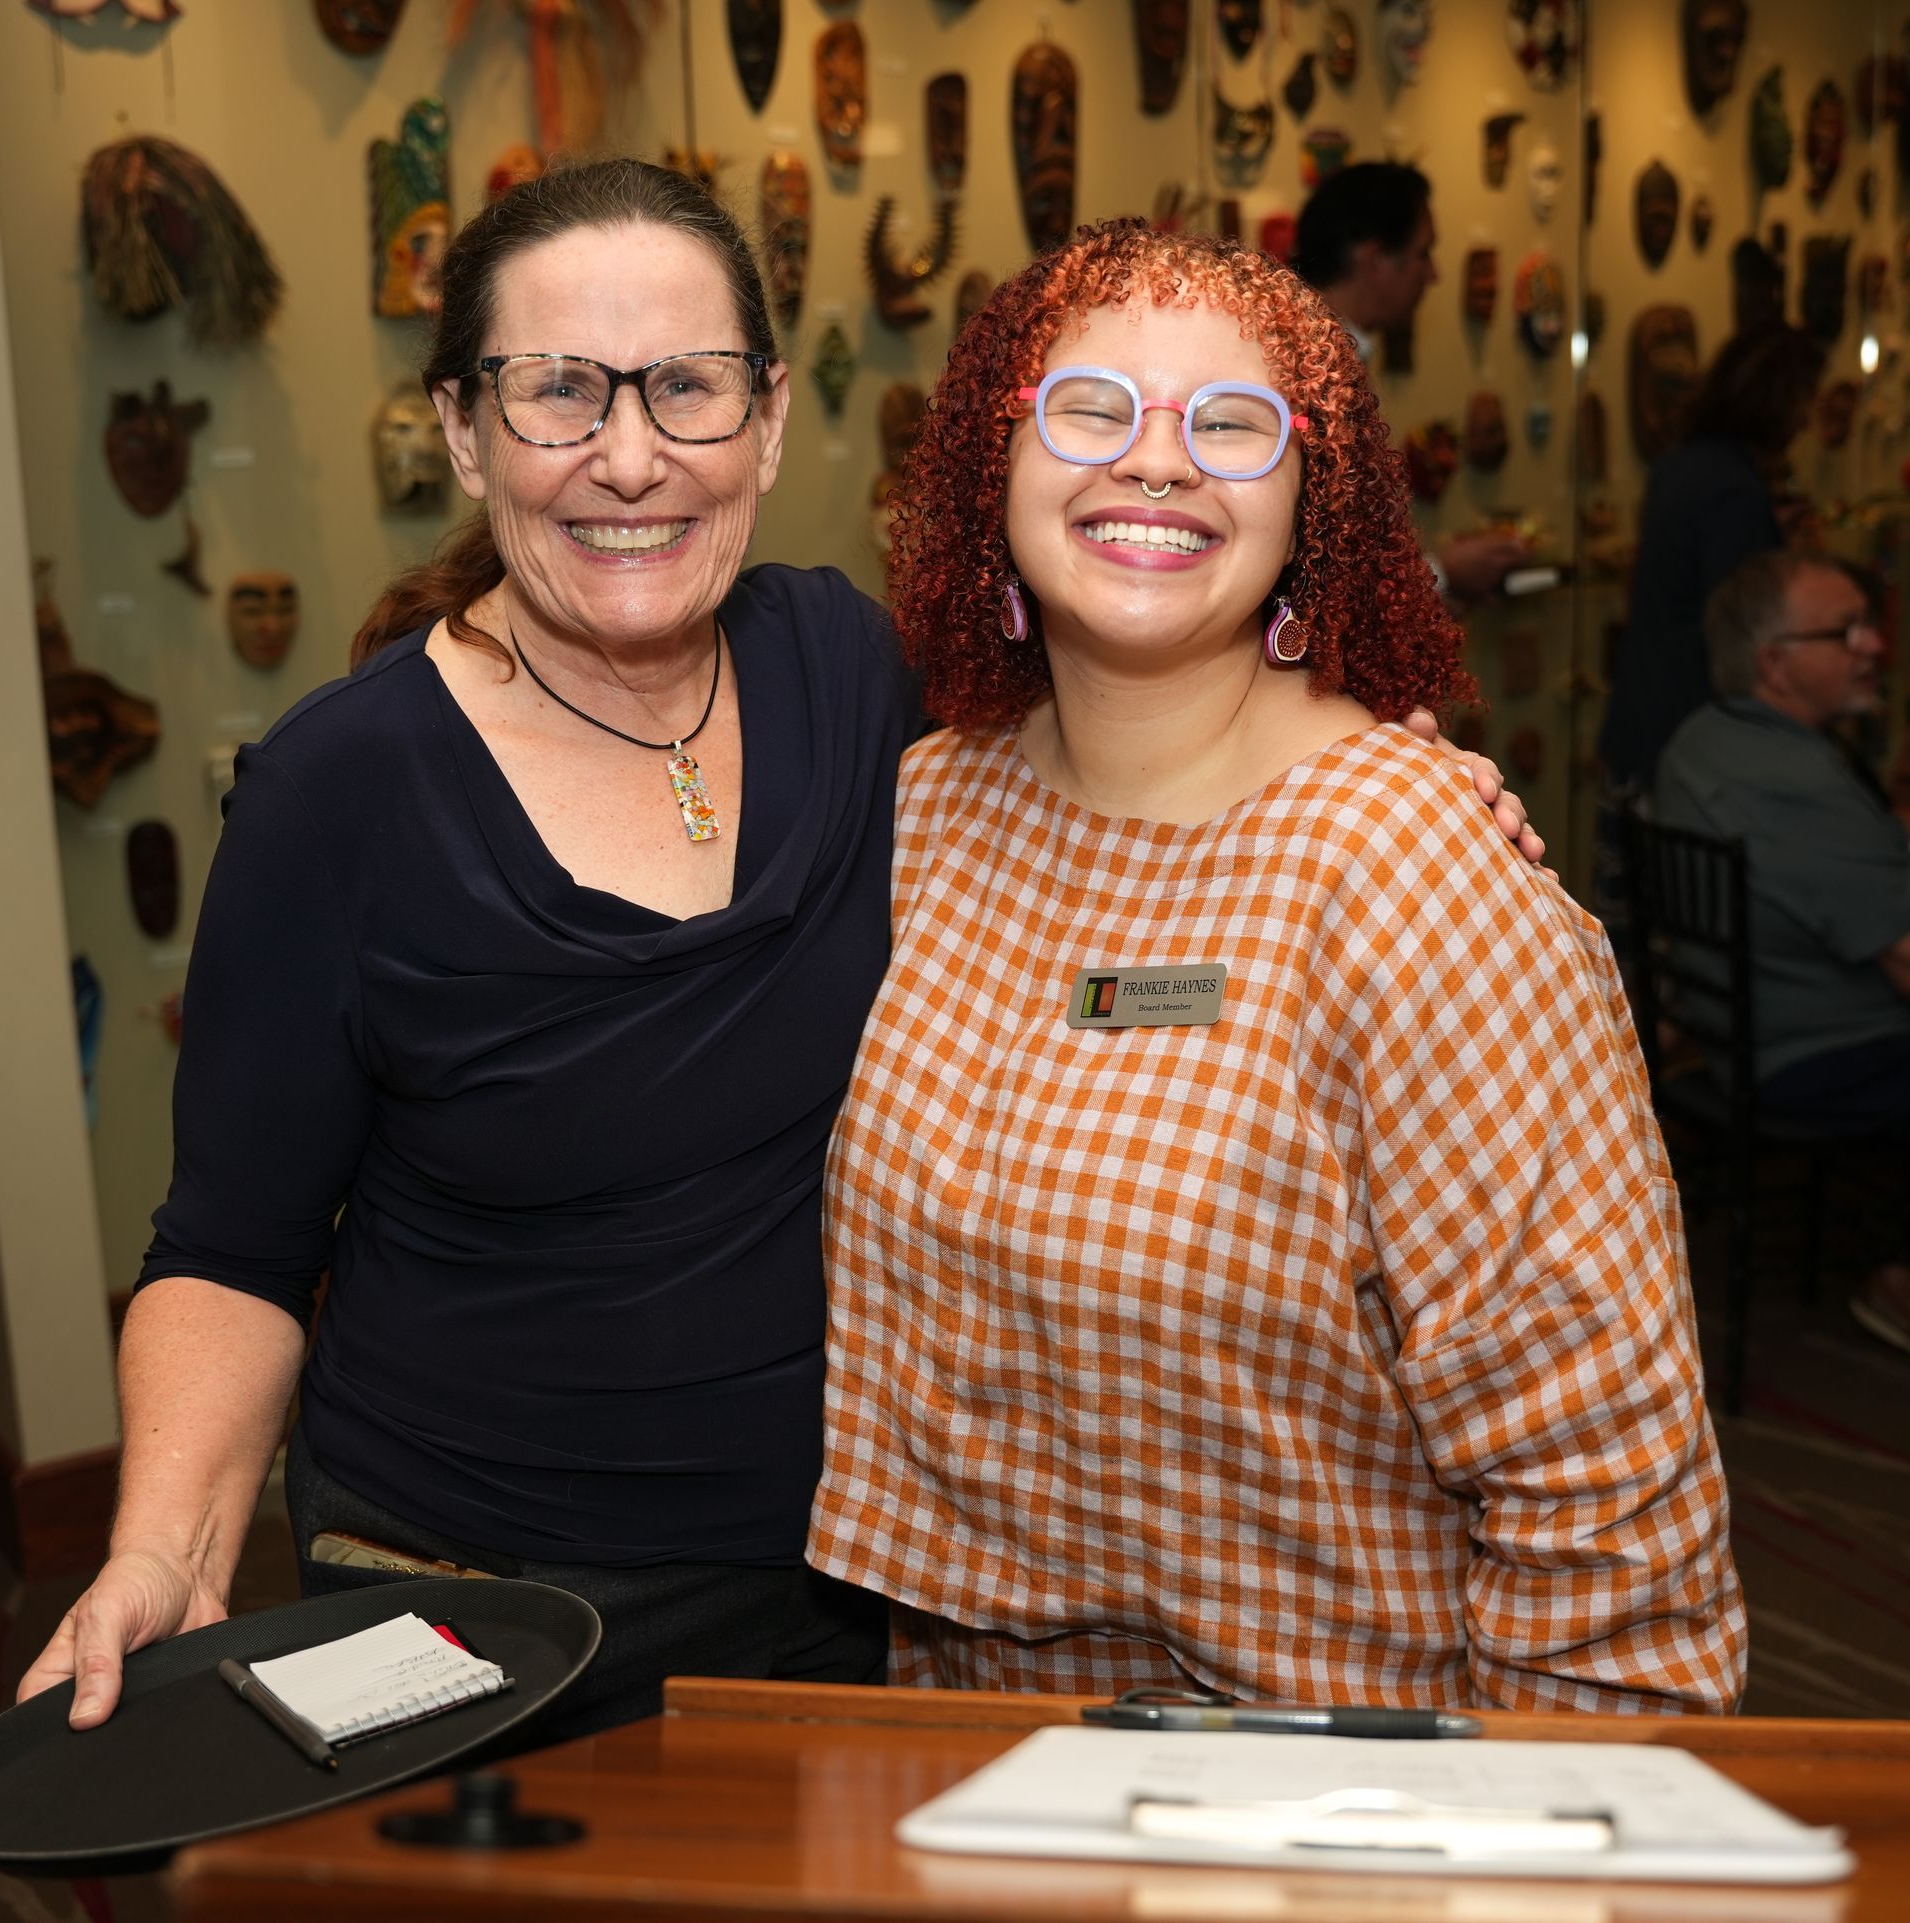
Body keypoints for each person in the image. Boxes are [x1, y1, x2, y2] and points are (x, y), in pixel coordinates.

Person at [20, 163, 1537, 1738]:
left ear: (767, 419)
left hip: (853, 1588)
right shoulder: (339, 790)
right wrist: (162, 1547)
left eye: (687, 387)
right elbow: (233, 1244)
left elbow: (1131, 767)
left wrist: (1387, 782)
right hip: (466, 1603)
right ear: (466, 431)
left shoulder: (862, 681)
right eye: (557, 393)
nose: (630, 457)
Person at [808, 219, 1746, 1712]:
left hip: (1326, 1780)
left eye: (1232, 425)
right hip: (954, 1740)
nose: (1158, 463)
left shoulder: (1414, 870)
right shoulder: (924, 809)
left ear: (1319, 503)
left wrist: (1552, 1833)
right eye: (1089, 407)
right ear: (996, 462)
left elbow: (1607, 1494)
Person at [1655, 551, 1910, 1352]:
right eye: (1846, 631)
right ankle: (1898, 1283)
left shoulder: (1701, 738)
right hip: (1810, 1054)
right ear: (1775, 664)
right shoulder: (1798, 780)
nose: (1873, 644)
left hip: (1734, 1037)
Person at [1600, 325, 1827, 791]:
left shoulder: (1678, 466)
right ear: (1776, 401)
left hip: (1643, 718)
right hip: (1689, 735)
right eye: (1805, 402)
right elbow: (1743, 633)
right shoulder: (1734, 490)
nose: (1806, 422)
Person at [1294, 161, 1528, 608]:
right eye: (1423, 253)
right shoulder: (1307, 368)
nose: (1433, 274)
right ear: (1375, 259)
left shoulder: (1332, 354)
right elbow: (1317, 560)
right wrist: (1443, 572)